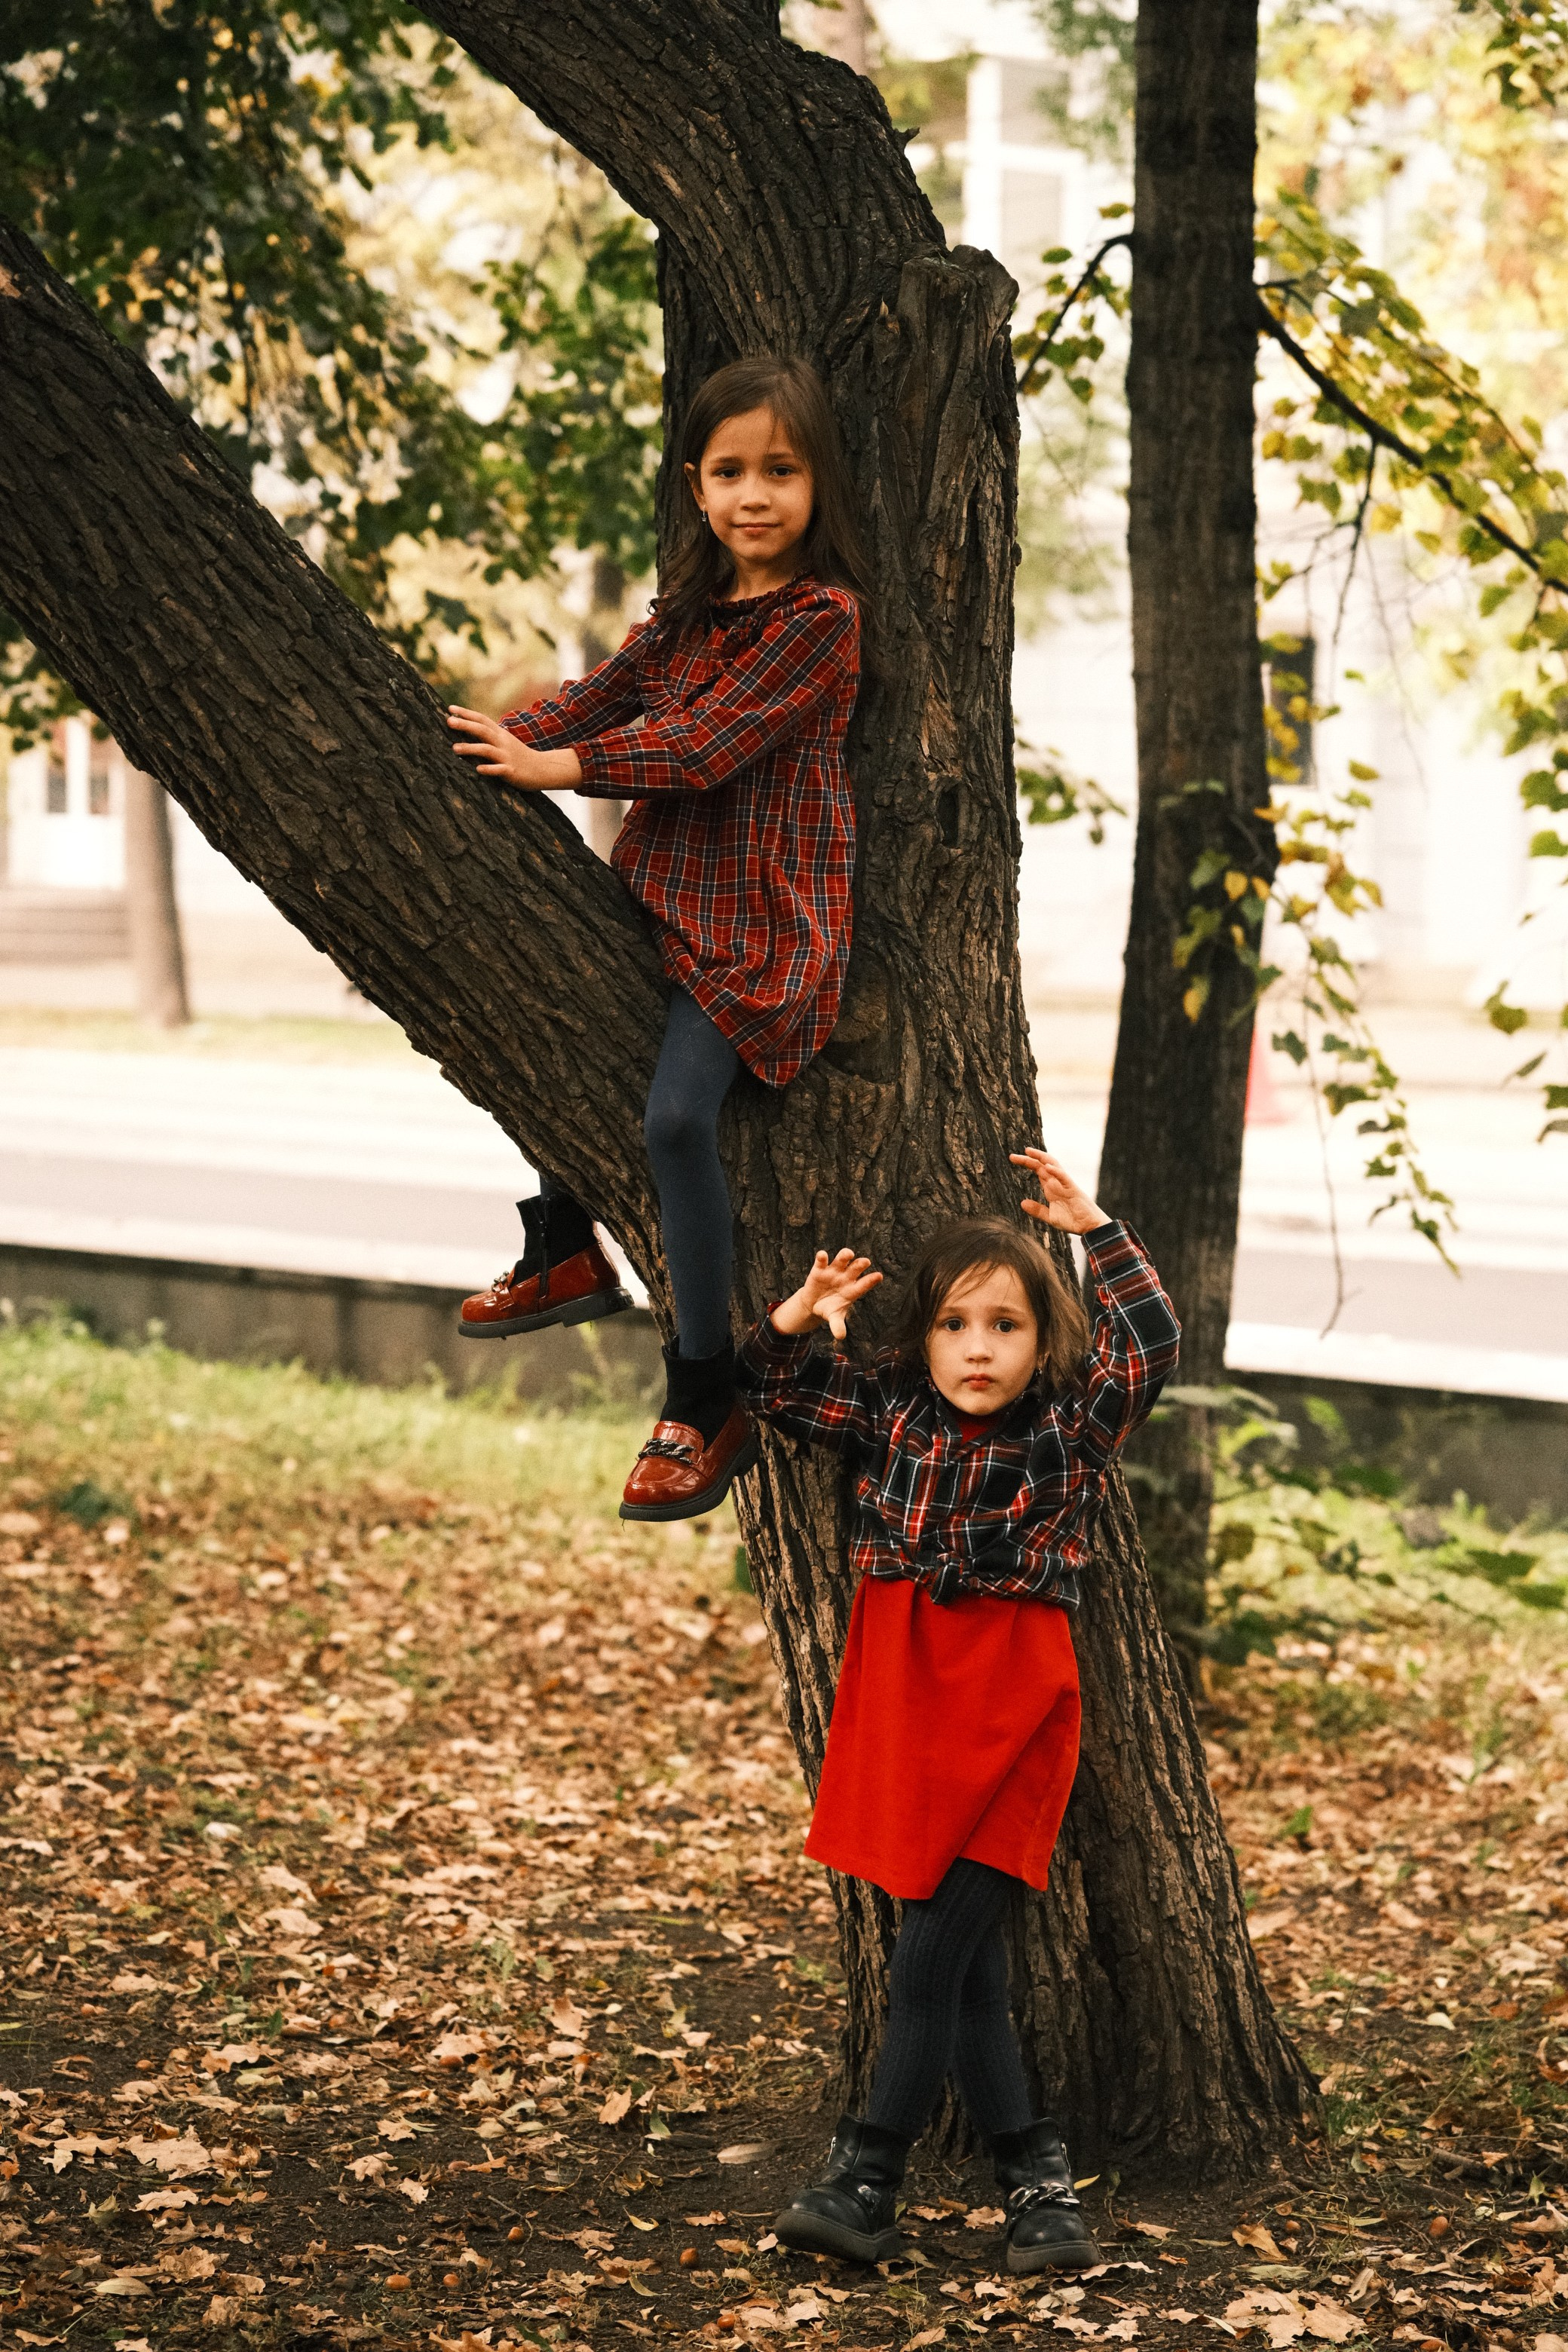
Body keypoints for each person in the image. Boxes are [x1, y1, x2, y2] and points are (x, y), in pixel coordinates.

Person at [734, 1149, 1181, 2274]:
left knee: (929, 1958)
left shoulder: (1066, 1433)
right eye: (954, 1325)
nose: (979, 1349)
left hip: (1014, 1713)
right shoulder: (888, 1411)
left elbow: (1148, 1348)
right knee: (968, 1968)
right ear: (920, 1341)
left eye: (1006, 1327)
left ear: (1044, 1345)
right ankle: (1037, 2186)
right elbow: (773, 1391)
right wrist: (795, 1318)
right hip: (904, 1706)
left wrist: (1098, 1232)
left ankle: (866, 2176)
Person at [446, 355, 869, 1524]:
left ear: (819, 485)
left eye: (780, 472)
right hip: (660, 899)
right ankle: (562, 1244)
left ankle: (704, 1392)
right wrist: (487, 743)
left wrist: (553, 768)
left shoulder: (820, 622)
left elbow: (704, 746)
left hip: (754, 926)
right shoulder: (685, 615)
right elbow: (601, 695)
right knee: (542, 1014)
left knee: (678, 1120)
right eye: (729, 472)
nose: (754, 495)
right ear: (695, 486)